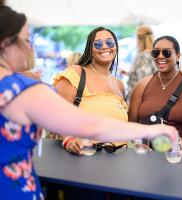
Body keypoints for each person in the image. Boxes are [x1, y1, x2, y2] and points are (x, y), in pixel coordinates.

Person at [0, 5, 178, 199]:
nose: (30, 47)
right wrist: (151, 131)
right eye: (27, 39)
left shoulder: (119, 84)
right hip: (16, 188)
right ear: (5, 43)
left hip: (116, 167)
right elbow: (88, 125)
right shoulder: (21, 88)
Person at [46, 27, 130, 155]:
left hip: (117, 162)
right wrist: (68, 139)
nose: (104, 46)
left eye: (109, 42)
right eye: (97, 44)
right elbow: (53, 114)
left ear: (116, 47)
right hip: (81, 159)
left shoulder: (119, 85)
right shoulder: (76, 73)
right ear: (89, 49)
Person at [129, 35, 182, 151]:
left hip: (181, 157)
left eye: (166, 52)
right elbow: (131, 125)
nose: (160, 56)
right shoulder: (141, 86)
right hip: (148, 158)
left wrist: (176, 147)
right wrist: (139, 143)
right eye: (156, 53)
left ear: (178, 56)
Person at [126, 25, 157, 101]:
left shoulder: (143, 56)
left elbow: (143, 82)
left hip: (139, 102)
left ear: (139, 39)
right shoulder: (155, 54)